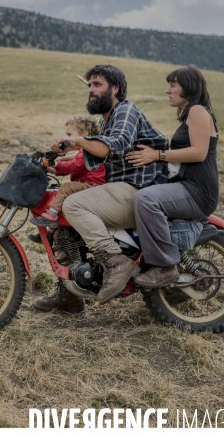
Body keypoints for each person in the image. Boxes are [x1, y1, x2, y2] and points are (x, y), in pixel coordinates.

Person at [33, 65, 168, 313]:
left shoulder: (126, 111)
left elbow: (115, 145)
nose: (91, 90)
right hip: (121, 190)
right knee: (63, 219)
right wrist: (63, 152)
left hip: (140, 191)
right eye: (89, 85)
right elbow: (93, 151)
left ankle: (116, 263)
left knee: (73, 204)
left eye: (97, 84)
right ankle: (70, 295)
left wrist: (78, 141)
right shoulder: (103, 122)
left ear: (115, 88)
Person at [126, 65, 218, 288]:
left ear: (188, 88)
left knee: (147, 199)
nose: (168, 90)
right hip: (187, 187)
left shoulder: (198, 111)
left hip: (197, 191)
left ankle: (164, 266)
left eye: (173, 85)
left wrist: (156, 155)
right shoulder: (191, 113)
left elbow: (199, 152)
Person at [28, 115, 106, 238]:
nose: (66, 139)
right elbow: (67, 160)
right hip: (86, 184)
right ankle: (52, 233)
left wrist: (54, 164)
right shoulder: (83, 151)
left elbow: (72, 166)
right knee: (61, 198)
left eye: (69, 135)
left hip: (92, 185)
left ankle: (52, 215)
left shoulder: (88, 151)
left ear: (84, 134)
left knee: (66, 188)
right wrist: (52, 164)